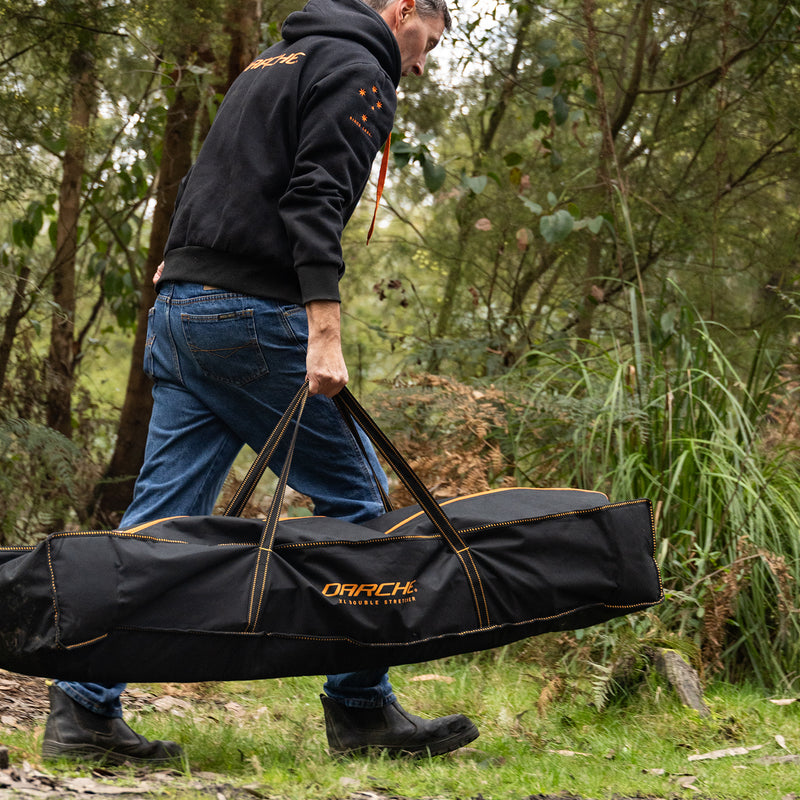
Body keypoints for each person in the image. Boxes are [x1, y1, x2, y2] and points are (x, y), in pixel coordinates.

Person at [41, 0, 479, 765]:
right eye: (426, 44)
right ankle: (361, 709)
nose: (418, 63)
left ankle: (82, 709)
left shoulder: (271, 62)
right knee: (361, 503)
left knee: (158, 525)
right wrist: (325, 332)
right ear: (403, 8)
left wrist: (181, 261)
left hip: (182, 310)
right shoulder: (360, 67)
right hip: (248, 317)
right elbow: (314, 198)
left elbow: (213, 173)